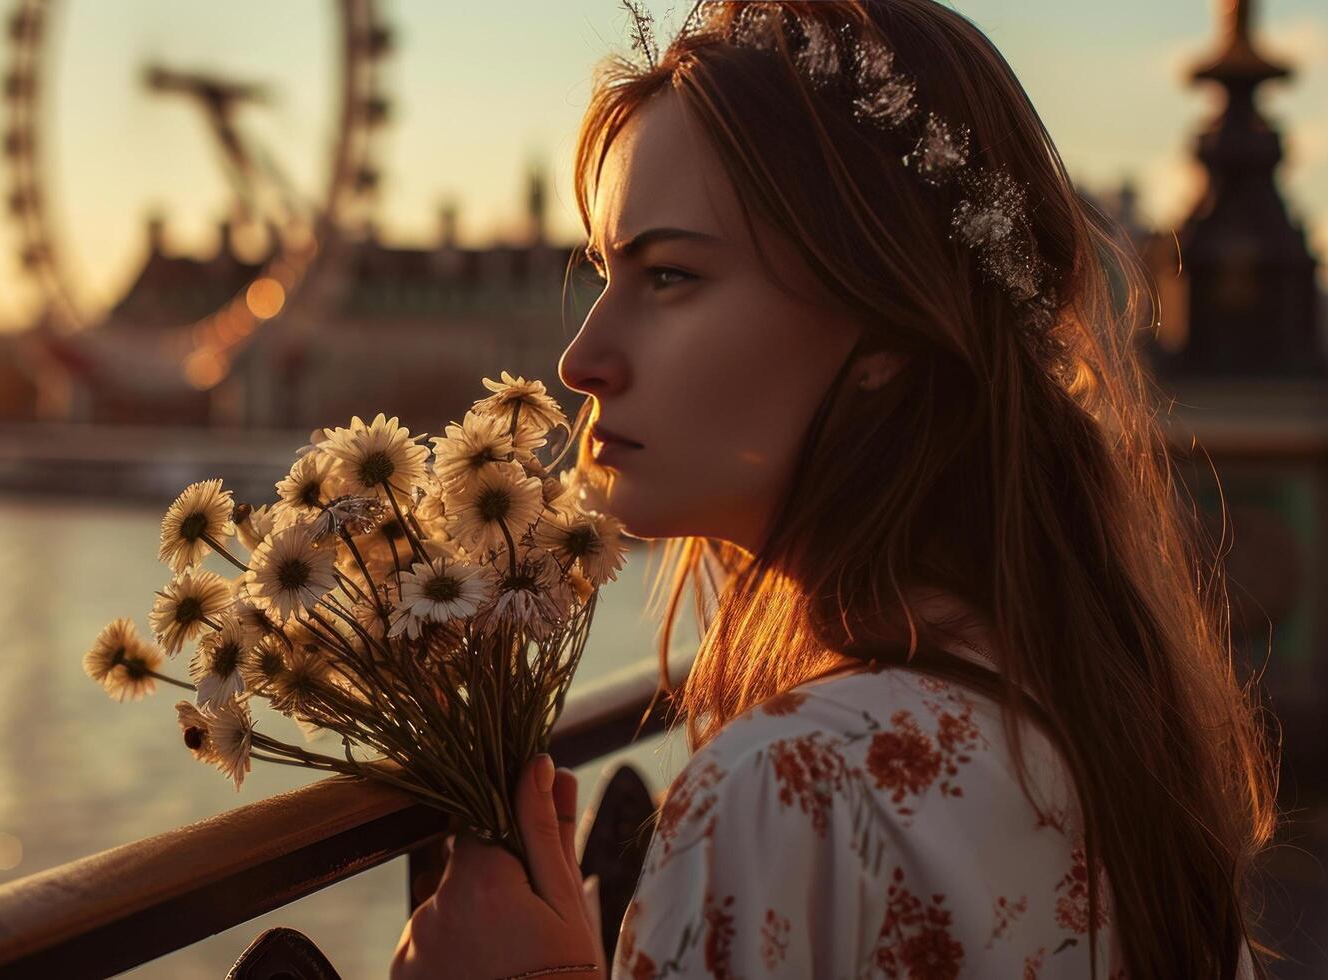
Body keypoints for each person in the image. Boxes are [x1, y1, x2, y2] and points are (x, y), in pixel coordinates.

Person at [390, 2, 1276, 977]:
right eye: (604, 272)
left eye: (671, 275)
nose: (579, 358)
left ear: (885, 329)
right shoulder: (1103, 716)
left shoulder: (785, 787)